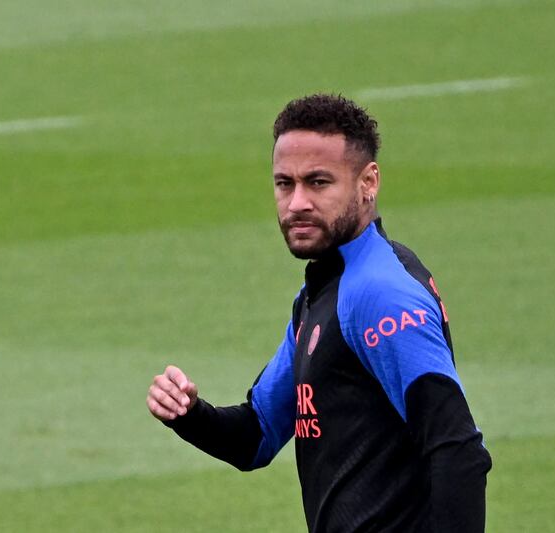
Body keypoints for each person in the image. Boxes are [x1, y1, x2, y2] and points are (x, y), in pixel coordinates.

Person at [146, 94, 492, 532]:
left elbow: (457, 449)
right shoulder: (323, 291)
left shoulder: (379, 294)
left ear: (369, 182)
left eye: (318, 182)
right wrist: (190, 415)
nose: (296, 204)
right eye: (284, 184)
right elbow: (256, 436)